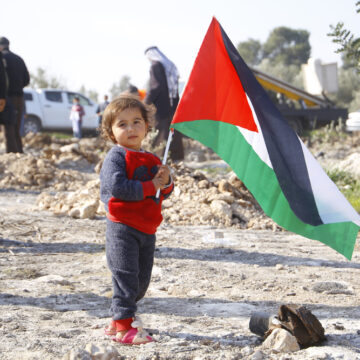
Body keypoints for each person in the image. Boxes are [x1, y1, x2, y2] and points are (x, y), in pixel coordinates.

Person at [99, 94, 174, 345]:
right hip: (122, 226)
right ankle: (124, 327)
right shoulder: (116, 157)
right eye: (122, 124)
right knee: (125, 276)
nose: (130, 128)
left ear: (147, 127)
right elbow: (118, 187)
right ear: (111, 132)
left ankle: (116, 319)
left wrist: (166, 181)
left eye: (136, 122)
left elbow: (163, 191)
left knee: (141, 281)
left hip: (147, 228)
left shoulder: (153, 160)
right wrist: (149, 184)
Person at [144, 46, 184, 161]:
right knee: (173, 131)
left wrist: (145, 103)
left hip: (161, 107)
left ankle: (159, 159)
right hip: (173, 105)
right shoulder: (170, 66)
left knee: (160, 132)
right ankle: (176, 158)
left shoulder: (155, 66)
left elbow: (155, 87)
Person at [0, 36, 30, 153]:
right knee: (16, 129)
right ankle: (19, 154)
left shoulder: (2, 58)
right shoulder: (19, 59)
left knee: (8, 129)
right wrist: (17, 86)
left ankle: (12, 156)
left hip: (6, 97)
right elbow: (27, 79)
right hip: (19, 98)